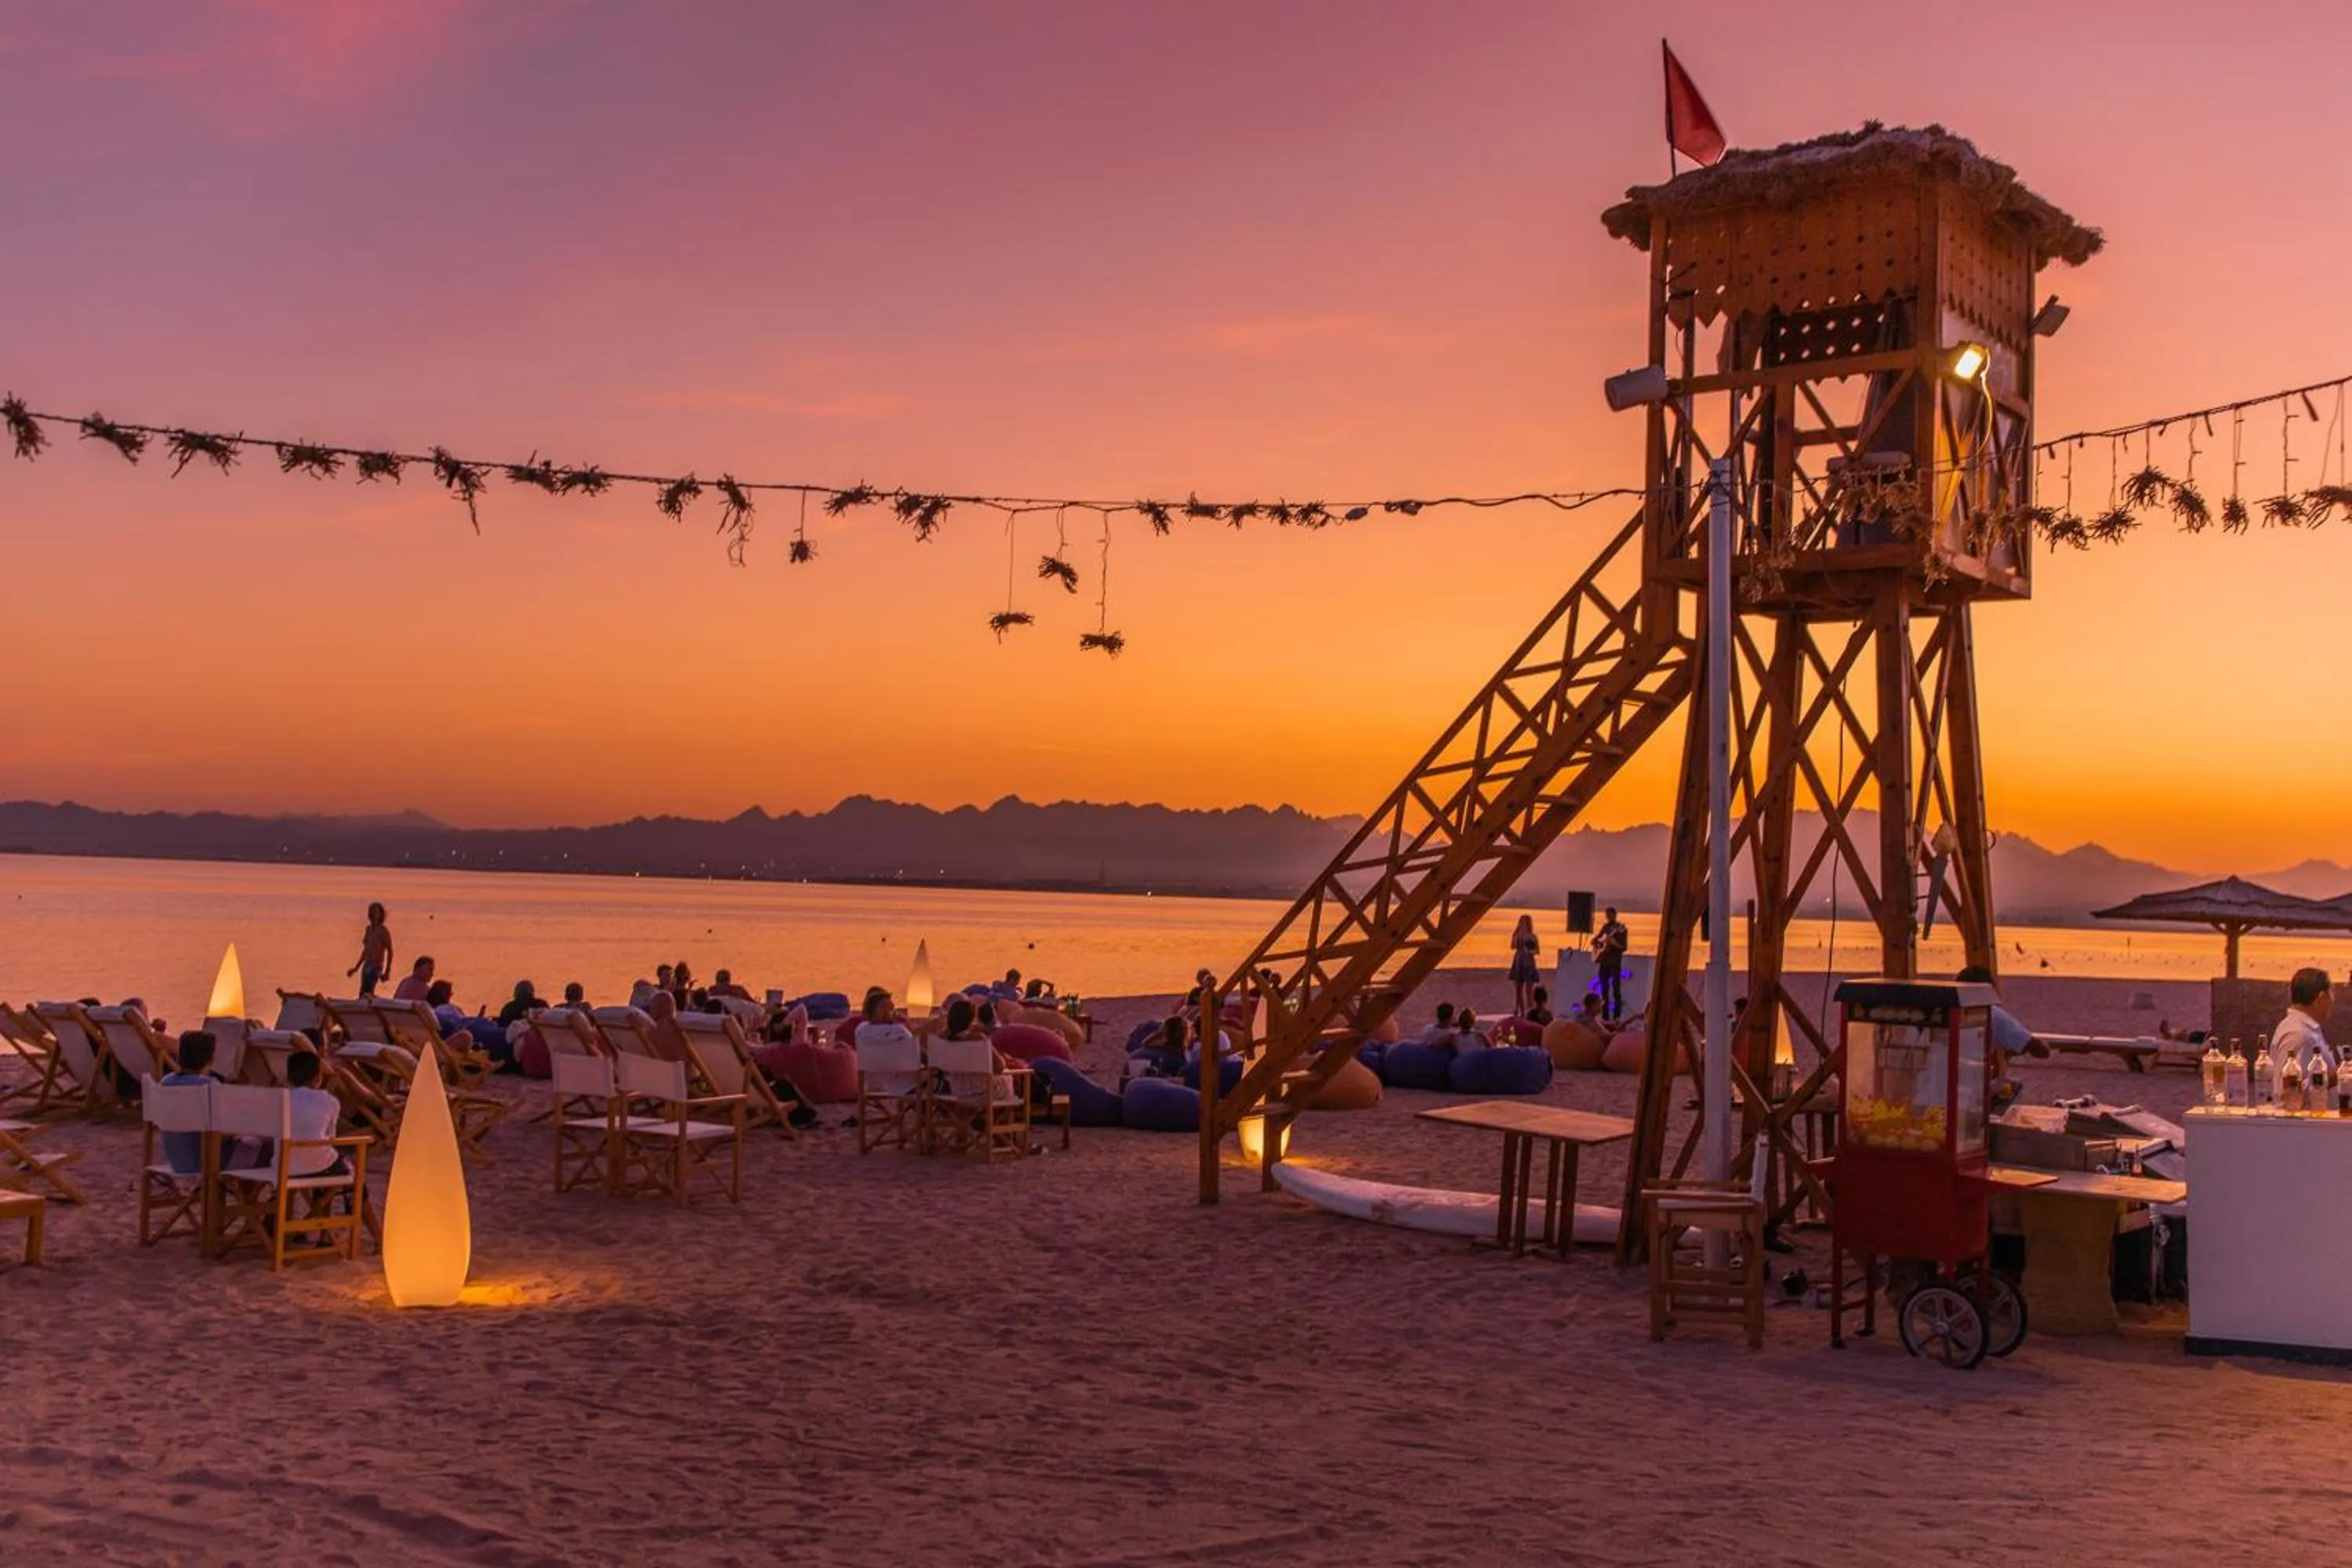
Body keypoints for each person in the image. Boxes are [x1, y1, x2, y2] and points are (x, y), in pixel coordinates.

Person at [158, 1030, 223, 1174]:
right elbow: (222, 1126)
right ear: (210, 1059)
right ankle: (244, 1195)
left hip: (177, 1161)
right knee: (257, 1146)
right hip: (203, 1162)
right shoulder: (209, 1086)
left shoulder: (166, 1083)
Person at [2268, 967, 2336, 1101]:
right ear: (2321, 997)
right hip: (2303, 1121)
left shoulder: (2306, 1030)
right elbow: (2288, 1092)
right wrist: (2335, 1077)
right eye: (2332, 994)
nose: (2333, 1001)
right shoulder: (2298, 1034)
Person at [347, 903, 394, 996]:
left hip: (376, 965)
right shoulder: (368, 929)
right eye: (371, 911)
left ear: (380, 914)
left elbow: (390, 951)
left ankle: (368, 1007)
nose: (372, 914)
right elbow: (365, 951)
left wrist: (387, 971)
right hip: (367, 964)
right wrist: (356, 968)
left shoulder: (383, 930)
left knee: (368, 991)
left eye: (375, 911)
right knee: (363, 991)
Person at [852, 989, 916, 1058]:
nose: (895, 1013)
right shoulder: (899, 1031)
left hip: (868, 1068)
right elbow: (913, 1051)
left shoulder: (860, 1029)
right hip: (899, 1067)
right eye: (891, 1009)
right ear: (881, 1011)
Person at [1592, 907, 1630, 1021]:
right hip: (1604, 962)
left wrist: (1614, 944)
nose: (1609, 917)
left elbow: (1624, 947)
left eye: (1610, 915)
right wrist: (1597, 943)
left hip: (1615, 963)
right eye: (1607, 915)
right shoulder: (1606, 927)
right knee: (1604, 990)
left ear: (1615, 915)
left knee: (1616, 990)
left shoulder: (1621, 929)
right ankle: (1605, 1016)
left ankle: (1617, 1016)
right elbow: (1597, 940)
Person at [1508, 914, 1541, 1018]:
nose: (1522, 925)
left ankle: (1529, 1010)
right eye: (1520, 922)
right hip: (1518, 962)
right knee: (1518, 989)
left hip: (1529, 963)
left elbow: (1537, 951)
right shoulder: (1517, 935)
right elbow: (1512, 946)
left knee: (1529, 990)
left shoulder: (1533, 936)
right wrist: (1516, 934)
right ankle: (1520, 1010)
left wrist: (1530, 951)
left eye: (1524, 923)